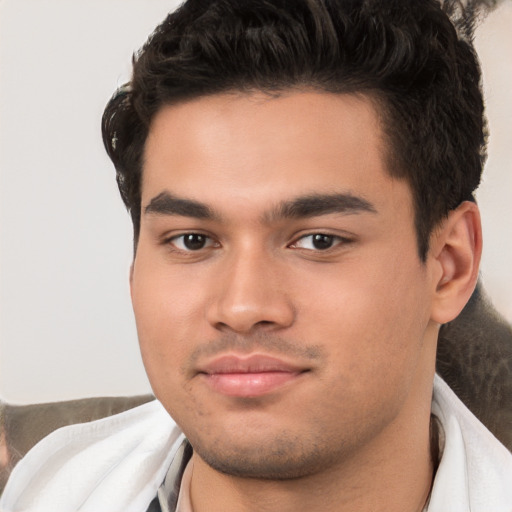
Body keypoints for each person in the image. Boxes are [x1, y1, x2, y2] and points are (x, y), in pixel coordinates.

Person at [1, 0, 511, 510]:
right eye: (193, 240)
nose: (241, 307)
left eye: (319, 241)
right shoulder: (45, 490)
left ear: (449, 266)